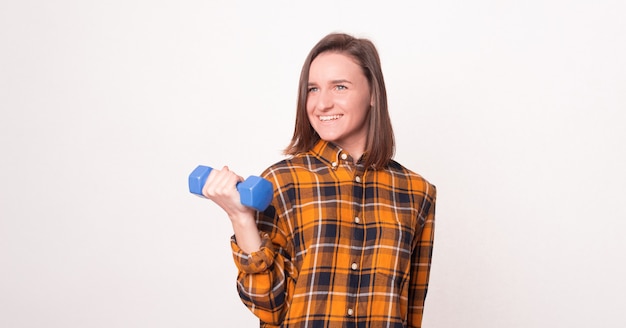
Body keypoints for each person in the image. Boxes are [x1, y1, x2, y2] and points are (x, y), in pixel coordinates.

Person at [202, 33, 437, 328]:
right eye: (313, 89)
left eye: (340, 86)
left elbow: (411, 311)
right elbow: (269, 308)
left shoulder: (417, 192)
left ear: (374, 94)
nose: (322, 103)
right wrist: (241, 219)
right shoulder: (282, 182)